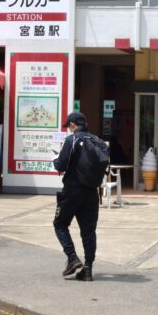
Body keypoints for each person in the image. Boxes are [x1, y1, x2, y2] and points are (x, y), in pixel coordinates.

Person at [52, 111, 98, 282]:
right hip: (92, 192)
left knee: (60, 224)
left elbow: (61, 164)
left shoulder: (72, 140)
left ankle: (72, 257)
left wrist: (55, 160)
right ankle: (87, 269)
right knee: (88, 231)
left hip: (72, 191)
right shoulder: (96, 140)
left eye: (69, 126)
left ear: (72, 125)